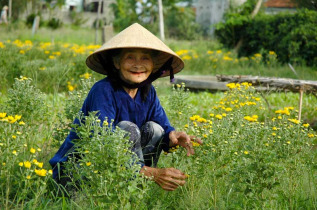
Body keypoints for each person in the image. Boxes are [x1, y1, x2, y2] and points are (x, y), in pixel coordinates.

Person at [49, 23, 202, 191]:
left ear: (153, 65)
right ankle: (137, 179)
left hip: (116, 173)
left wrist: (172, 136)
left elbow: (163, 129)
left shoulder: (148, 92)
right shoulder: (103, 90)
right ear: (116, 62)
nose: (138, 65)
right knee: (127, 128)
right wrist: (152, 173)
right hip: (78, 172)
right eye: (130, 57)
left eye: (145, 58)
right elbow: (103, 145)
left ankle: (135, 190)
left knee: (155, 129)